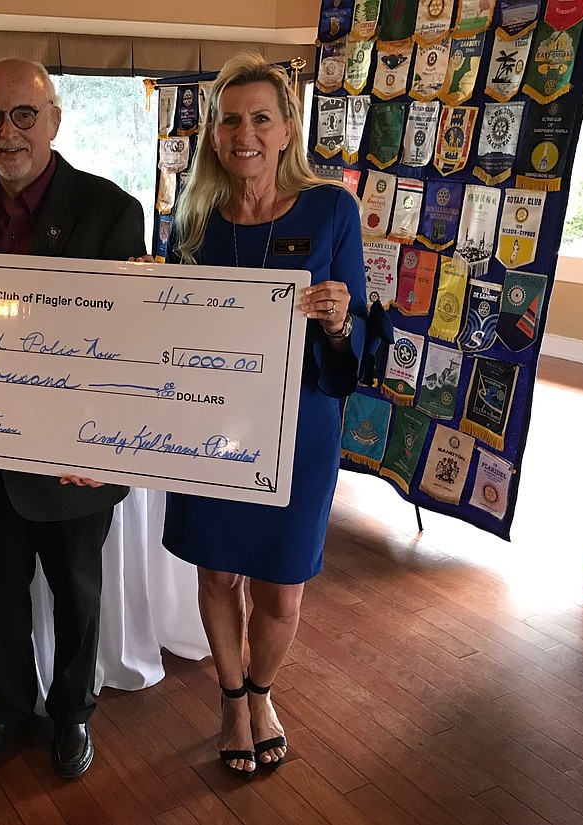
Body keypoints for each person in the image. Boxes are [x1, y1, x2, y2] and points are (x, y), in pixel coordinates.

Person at [161, 53, 368, 778]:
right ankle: (229, 699)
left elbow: (356, 342)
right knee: (218, 575)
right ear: (214, 132)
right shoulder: (191, 217)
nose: (242, 133)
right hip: (207, 425)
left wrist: (340, 322)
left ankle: (262, 692)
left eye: (259, 118)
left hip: (299, 426)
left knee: (282, 584)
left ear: (287, 130)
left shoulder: (331, 208)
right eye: (229, 119)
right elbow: (165, 328)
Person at [0, 57, 146, 779]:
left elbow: (130, 342)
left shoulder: (111, 210)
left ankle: (71, 716)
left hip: (74, 458)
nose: (8, 131)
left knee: (77, 599)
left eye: (23, 114)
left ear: (55, 120)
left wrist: (106, 440)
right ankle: (6, 710)